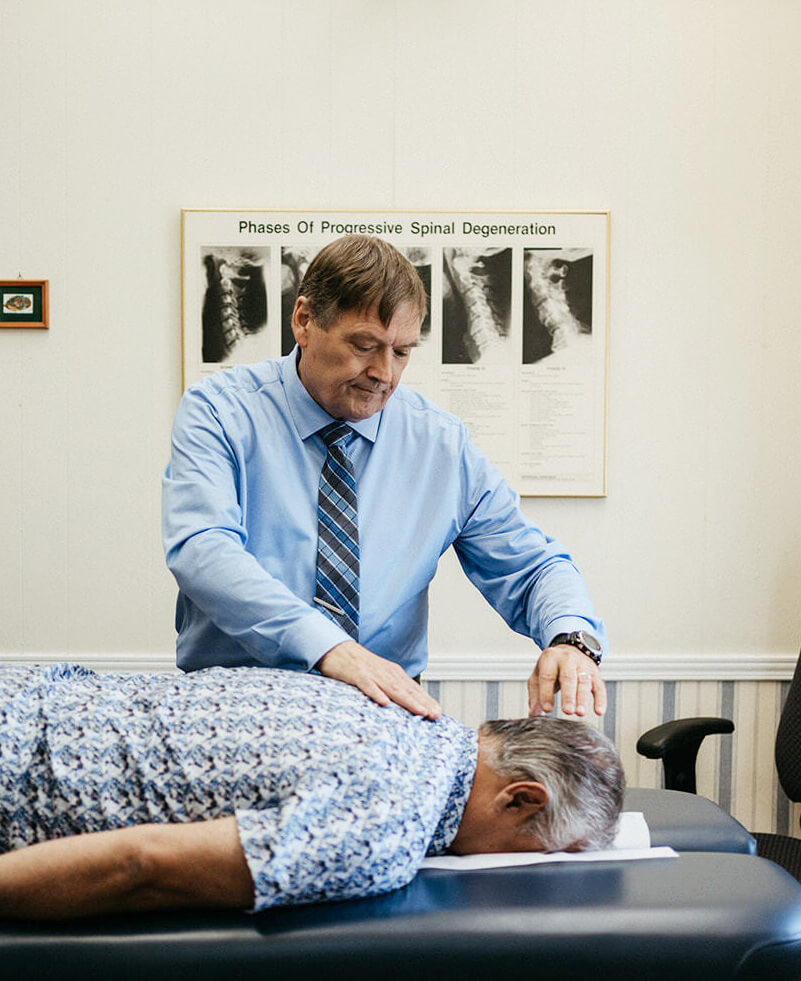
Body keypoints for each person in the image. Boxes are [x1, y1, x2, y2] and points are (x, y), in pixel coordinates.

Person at [163, 234, 608, 720]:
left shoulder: (439, 443)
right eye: (364, 346)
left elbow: (531, 564)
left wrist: (570, 635)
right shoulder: (220, 412)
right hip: (238, 705)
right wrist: (328, 647)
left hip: (382, 708)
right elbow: (203, 550)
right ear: (304, 321)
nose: (383, 373)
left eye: (401, 352)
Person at [0, 663, 624, 920]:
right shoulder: (388, 825)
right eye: (553, 852)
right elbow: (139, 864)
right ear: (520, 799)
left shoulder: (390, 701)